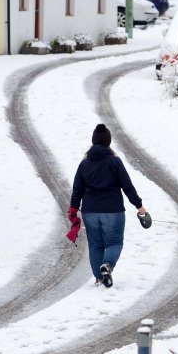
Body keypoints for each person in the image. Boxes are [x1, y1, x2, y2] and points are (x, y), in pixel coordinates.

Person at [68, 123, 147, 289]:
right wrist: (140, 207)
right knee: (114, 243)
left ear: (93, 141)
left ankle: (99, 278)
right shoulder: (114, 162)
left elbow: (77, 190)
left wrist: (73, 210)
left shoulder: (84, 164)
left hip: (90, 212)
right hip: (113, 210)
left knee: (96, 245)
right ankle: (107, 265)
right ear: (108, 142)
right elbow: (127, 186)